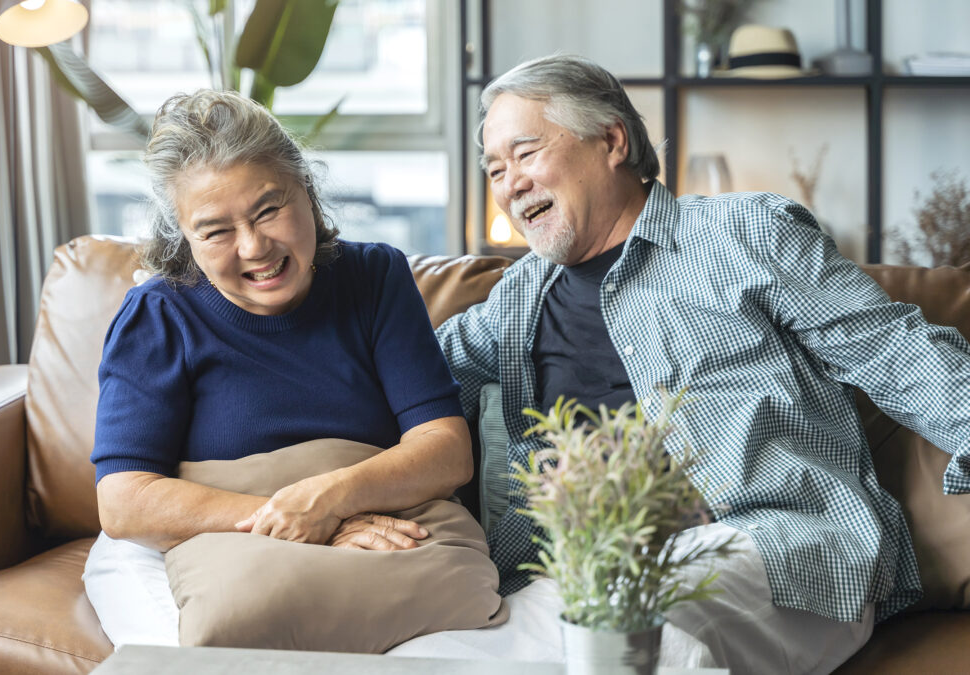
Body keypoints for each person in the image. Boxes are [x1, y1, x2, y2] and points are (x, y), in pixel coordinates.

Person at [430, 54, 970, 672]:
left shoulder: (745, 234)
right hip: (581, 577)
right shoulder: (515, 300)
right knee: (431, 653)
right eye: (494, 168)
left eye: (525, 154)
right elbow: (408, 384)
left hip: (779, 549)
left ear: (612, 140)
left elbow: (895, 351)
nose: (509, 184)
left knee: (630, 630)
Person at [83, 89, 473, 648]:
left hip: (372, 531)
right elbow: (124, 500)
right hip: (201, 543)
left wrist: (330, 499)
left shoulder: (374, 277)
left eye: (270, 209)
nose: (254, 247)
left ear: (307, 194)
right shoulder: (158, 315)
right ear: (185, 240)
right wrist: (299, 517)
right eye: (215, 230)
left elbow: (446, 448)